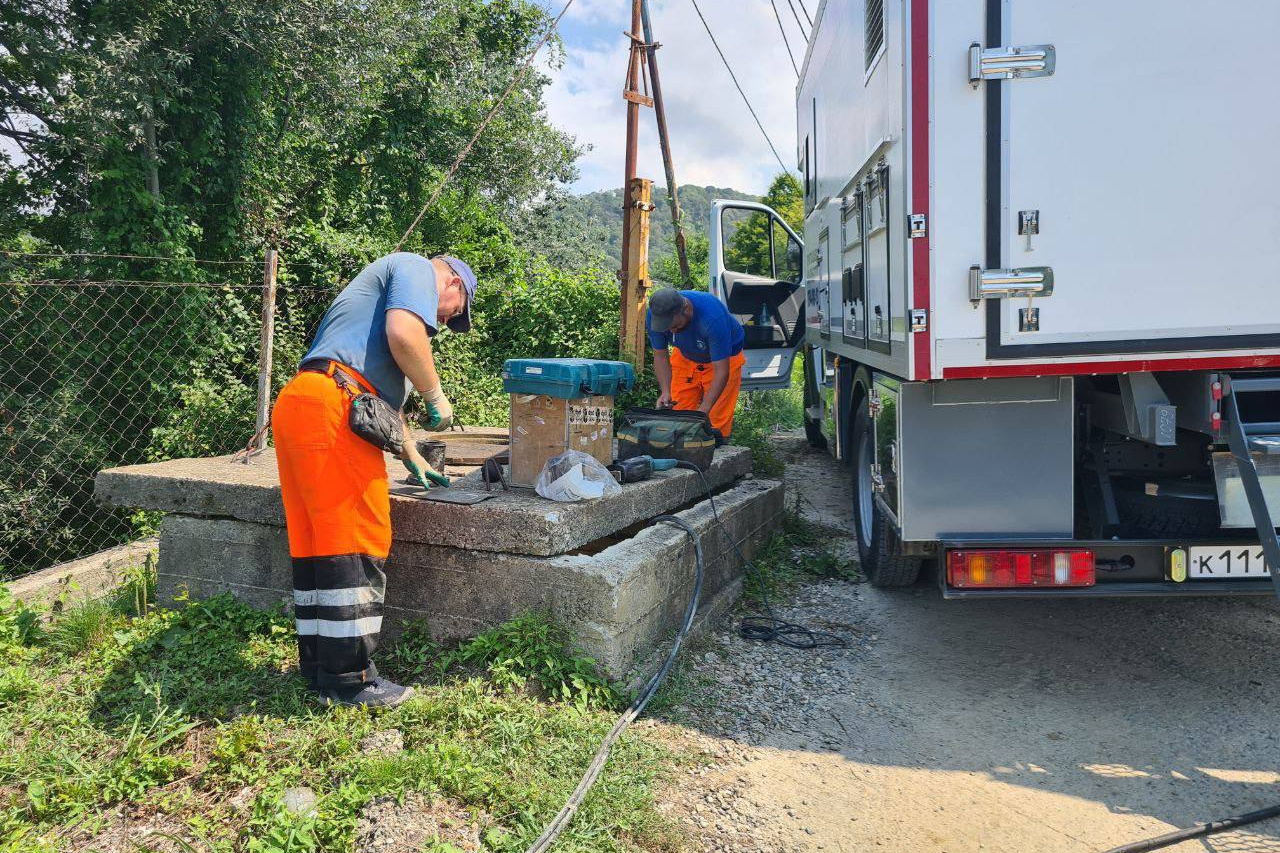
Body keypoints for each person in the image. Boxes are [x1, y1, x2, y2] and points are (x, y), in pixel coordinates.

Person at [271, 251, 476, 708]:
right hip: (336, 406)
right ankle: (352, 681)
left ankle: (321, 668)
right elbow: (404, 336)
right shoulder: (417, 269)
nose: (442, 322)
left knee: (316, 541)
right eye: (452, 313)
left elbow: (382, 400)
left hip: (304, 400)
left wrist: (411, 455)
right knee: (357, 536)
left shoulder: (378, 292)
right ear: (454, 285)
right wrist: (436, 395)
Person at [646, 287, 746, 440]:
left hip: (724, 360)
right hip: (685, 356)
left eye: (673, 326)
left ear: (686, 309)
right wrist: (665, 391)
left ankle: (715, 455)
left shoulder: (712, 319)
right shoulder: (655, 316)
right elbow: (660, 356)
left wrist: (703, 410)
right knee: (678, 418)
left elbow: (721, 371)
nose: (671, 331)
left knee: (715, 422)